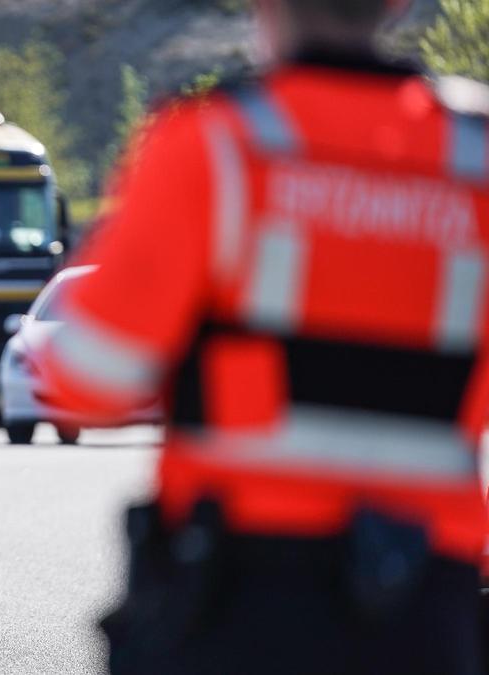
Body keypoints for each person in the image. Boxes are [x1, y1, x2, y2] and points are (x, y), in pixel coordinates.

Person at [37, 1, 489, 673]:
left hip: (242, 601)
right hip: (428, 605)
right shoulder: (474, 157)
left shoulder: (214, 142)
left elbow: (87, 382)